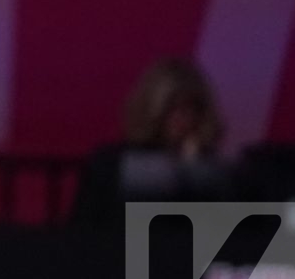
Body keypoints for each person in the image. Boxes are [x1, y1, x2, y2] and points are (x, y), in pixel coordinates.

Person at [69, 55, 230, 227]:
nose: (183, 118)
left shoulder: (211, 168)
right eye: (173, 107)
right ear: (154, 108)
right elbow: (83, 229)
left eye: (191, 108)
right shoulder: (111, 164)